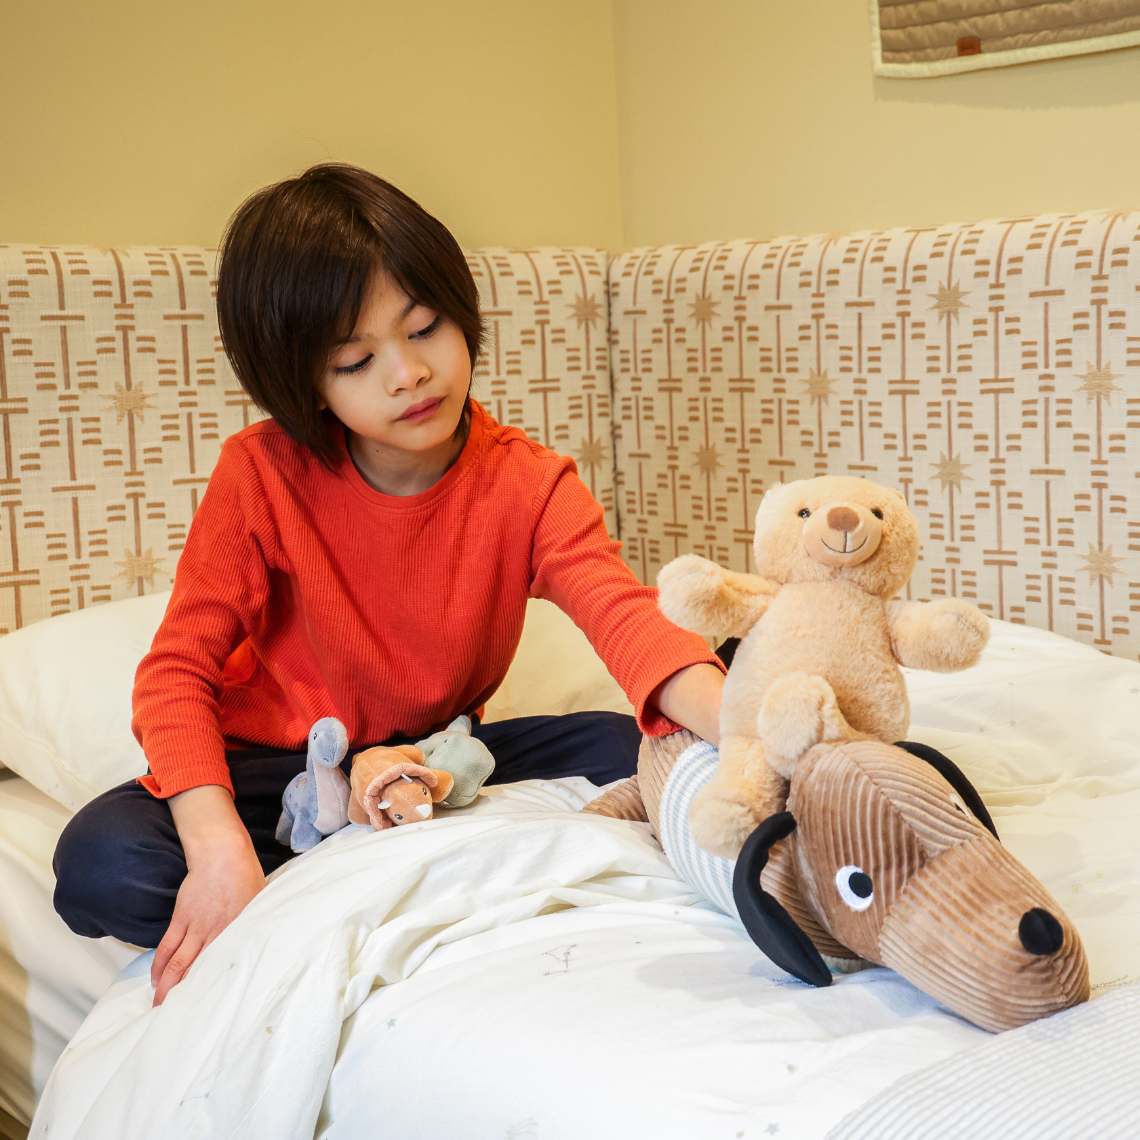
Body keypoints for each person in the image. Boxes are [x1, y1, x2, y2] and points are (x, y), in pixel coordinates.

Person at [53, 164, 725, 1005]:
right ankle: (326, 853)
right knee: (102, 864)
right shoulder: (260, 476)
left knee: (649, 748)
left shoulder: (527, 481)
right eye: (355, 359)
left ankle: (362, 848)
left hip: (444, 757)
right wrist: (219, 847)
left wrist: (750, 731)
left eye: (426, 328)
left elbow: (629, 621)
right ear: (306, 383)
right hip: (281, 767)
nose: (407, 374)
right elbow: (174, 677)